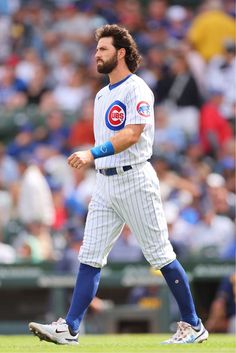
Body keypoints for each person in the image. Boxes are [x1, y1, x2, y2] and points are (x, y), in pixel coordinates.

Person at [29, 24, 208, 345]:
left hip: (135, 177)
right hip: (105, 182)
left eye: (103, 49)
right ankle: (69, 327)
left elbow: (131, 134)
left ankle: (193, 324)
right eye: (97, 49)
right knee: (89, 255)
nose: (96, 54)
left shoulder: (137, 88)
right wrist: (95, 159)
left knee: (160, 255)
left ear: (121, 52)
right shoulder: (101, 94)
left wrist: (91, 153)